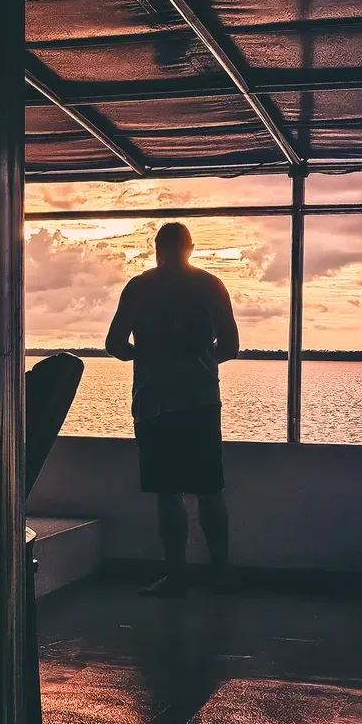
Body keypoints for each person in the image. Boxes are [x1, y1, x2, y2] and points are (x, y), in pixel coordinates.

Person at [105, 222, 240, 596]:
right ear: (191, 248)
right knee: (210, 490)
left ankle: (177, 577)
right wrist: (198, 359)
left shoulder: (140, 287)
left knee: (169, 493)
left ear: (157, 248)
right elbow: (231, 346)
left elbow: (114, 343)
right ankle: (222, 572)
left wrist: (146, 356)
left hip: (155, 401)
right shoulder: (212, 286)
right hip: (201, 401)